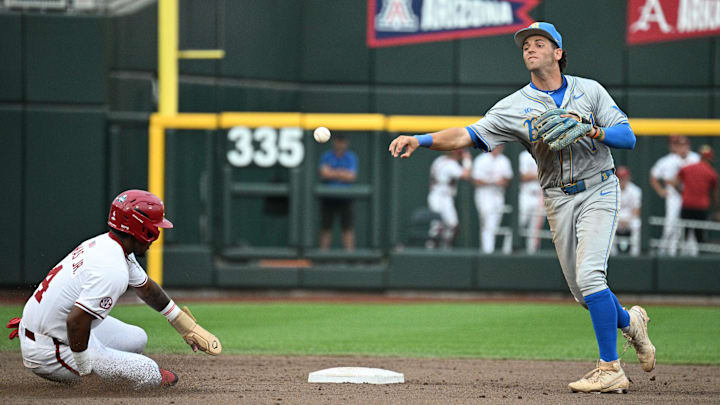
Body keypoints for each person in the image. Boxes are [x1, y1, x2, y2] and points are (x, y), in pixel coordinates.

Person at [388, 22, 655, 394]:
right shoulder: (513, 107)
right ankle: (632, 325)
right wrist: (420, 139)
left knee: (592, 278)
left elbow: (627, 137)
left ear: (558, 52)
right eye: (526, 44)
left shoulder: (589, 91)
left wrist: (589, 129)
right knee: (583, 293)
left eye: (539, 43)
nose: (530, 48)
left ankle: (609, 368)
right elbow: (468, 134)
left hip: (599, 188)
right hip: (557, 197)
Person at [7, 190, 221, 390]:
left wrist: (185, 326)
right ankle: (87, 366)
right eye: (155, 227)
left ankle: (103, 360)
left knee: (137, 338)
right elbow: (76, 322)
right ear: (142, 229)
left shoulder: (108, 245)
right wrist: (86, 371)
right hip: (50, 348)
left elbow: (147, 290)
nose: (157, 233)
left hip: (55, 326)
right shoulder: (112, 269)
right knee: (149, 373)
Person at [649, 135, 699, 256]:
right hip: (674, 195)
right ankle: (665, 251)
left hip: (690, 195)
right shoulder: (668, 160)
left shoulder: (695, 158)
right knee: (670, 224)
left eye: (685, 145)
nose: (683, 148)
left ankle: (692, 253)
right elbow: (653, 175)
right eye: (680, 145)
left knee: (690, 225)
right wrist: (661, 190)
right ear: (675, 147)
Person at [674, 145, 719, 255]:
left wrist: (682, 193)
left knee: (684, 235)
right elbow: (716, 194)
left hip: (687, 205)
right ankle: (702, 261)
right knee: (700, 237)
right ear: (710, 158)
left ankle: (679, 258)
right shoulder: (711, 173)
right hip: (701, 207)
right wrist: (717, 208)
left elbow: (675, 183)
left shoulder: (688, 168)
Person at [318, 134, 358, 250]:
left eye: (342, 141)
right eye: (338, 141)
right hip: (328, 197)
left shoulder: (351, 157)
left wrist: (333, 173)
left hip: (345, 197)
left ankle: (350, 259)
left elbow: (351, 176)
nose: (340, 144)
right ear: (334, 142)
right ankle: (322, 259)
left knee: (348, 228)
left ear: (346, 143)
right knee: (326, 229)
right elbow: (324, 173)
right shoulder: (327, 156)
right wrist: (341, 173)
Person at [427, 149, 472, 248]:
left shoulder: (439, 160)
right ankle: (431, 250)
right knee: (438, 226)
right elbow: (466, 175)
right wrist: (467, 160)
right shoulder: (451, 164)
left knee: (451, 225)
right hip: (441, 197)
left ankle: (444, 248)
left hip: (439, 196)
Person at [472, 144, 513, 253]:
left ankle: (490, 250)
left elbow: (507, 180)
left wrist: (501, 182)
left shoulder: (504, 160)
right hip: (484, 194)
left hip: (498, 195)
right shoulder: (481, 159)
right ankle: (487, 251)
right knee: (488, 223)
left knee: (494, 224)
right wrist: (494, 181)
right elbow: (476, 181)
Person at [517, 149, 545, 253]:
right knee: (519, 223)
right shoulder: (524, 155)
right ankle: (508, 251)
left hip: (541, 197)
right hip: (526, 194)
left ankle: (532, 252)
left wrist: (536, 175)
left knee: (535, 231)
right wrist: (539, 175)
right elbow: (523, 176)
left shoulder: (545, 155)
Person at [614, 166, 642, 256]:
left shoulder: (635, 190)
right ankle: (612, 253)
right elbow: (610, 209)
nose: (622, 180)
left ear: (628, 177)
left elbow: (637, 210)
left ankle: (635, 253)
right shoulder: (612, 190)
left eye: (624, 178)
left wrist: (628, 220)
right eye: (620, 178)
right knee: (609, 223)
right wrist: (619, 219)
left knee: (637, 223)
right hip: (616, 218)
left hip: (630, 218)